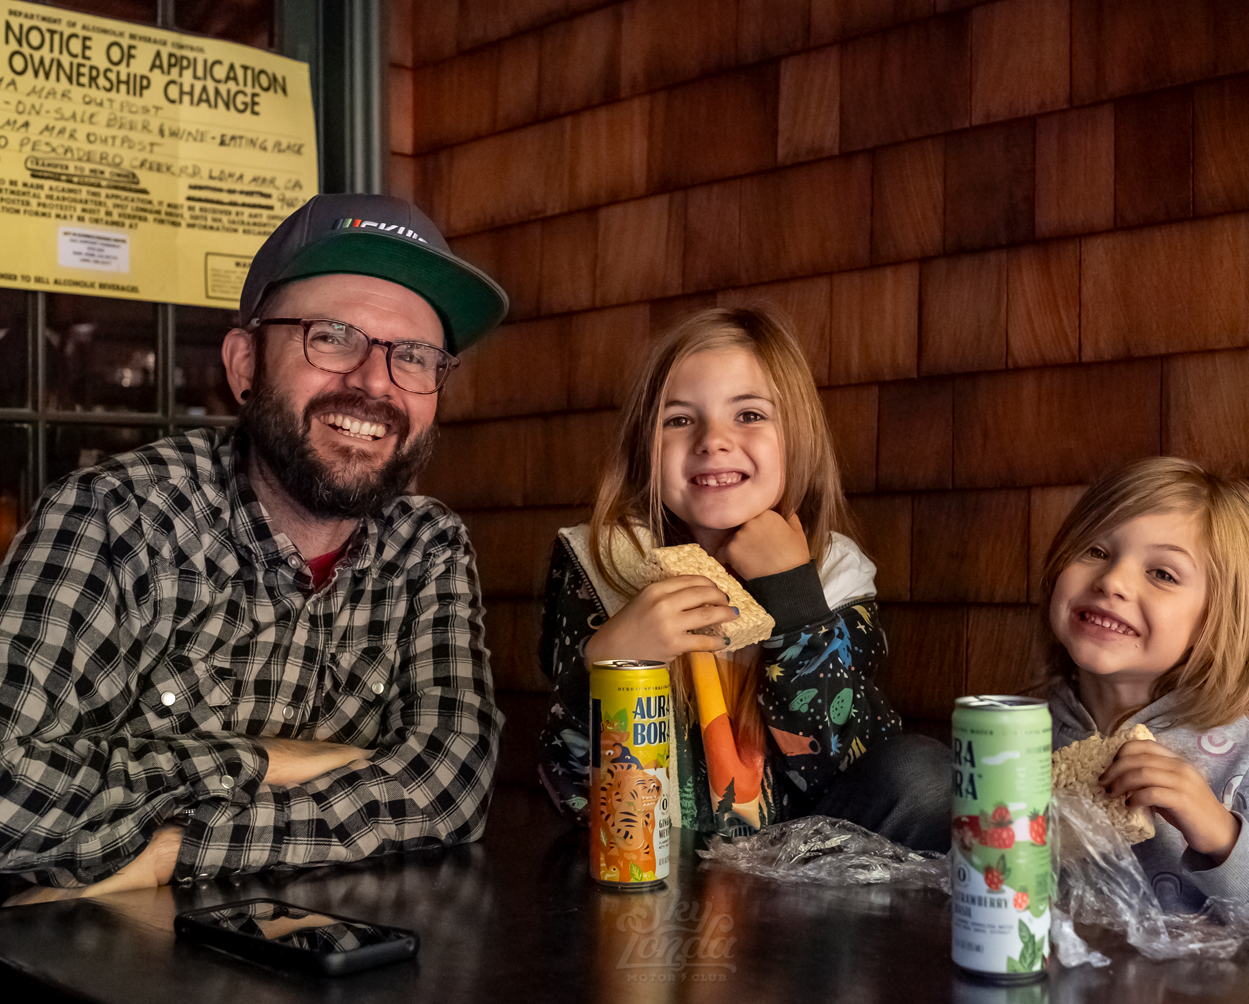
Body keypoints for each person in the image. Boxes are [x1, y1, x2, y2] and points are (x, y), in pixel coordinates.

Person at [0, 193, 508, 904]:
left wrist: (179, 849)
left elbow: (450, 786)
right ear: (245, 364)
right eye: (333, 336)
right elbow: (7, 798)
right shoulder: (116, 517)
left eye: (415, 357)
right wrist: (269, 760)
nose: (373, 383)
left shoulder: (426, 547)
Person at [537, 307, 950, 850]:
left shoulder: (836, 575)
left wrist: (795, 599)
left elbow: (838, 765)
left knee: (927, 772)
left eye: (749, 415)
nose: (713, 440)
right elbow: (571, 795)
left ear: (797, 436)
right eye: (679, 419)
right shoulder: (602, 568)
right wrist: (608, 669)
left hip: (810, 881)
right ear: (645, 447)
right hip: (661, 864)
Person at [1040, 456, 1249, 947]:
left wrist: (1221, 836)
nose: (1112, 581)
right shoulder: (1021, 729)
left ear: (1218, 616)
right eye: (1095, 550)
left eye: (1162, 574)